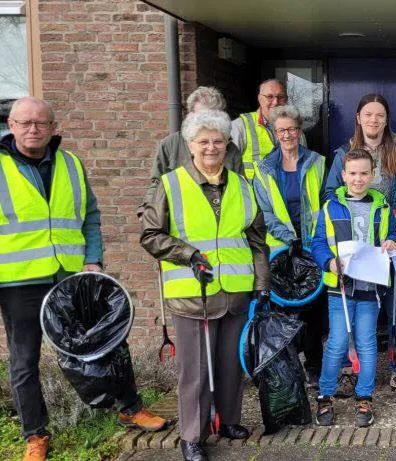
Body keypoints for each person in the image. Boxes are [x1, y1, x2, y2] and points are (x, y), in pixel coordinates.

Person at [0, 97, 167, 461]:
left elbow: (90, 215)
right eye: (24, 123)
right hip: (18, 283)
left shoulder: (71, 164)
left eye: (40, 123)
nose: (32, 129)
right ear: (10, 124)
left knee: (111, 343)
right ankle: (35, 435)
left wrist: (93, 260)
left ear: (53, 127)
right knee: (24, 362)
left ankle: (128, 407)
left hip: (71, 279)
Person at [140, 109, 270, 461]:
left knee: (231, 363)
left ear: (227, 144)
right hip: (192, 292)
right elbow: (150, 235)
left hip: (235, 291)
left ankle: (228, 421)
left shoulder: (243, 185)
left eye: (217, 141)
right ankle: (193, 435)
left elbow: (257, 240)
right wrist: (187, 253)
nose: (211, 147)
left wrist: (262, 283)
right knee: (195, 370)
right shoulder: (170, 184)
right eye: (203, 142)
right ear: (190, 145)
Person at [324, 93, 396, 391]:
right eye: (368, 114)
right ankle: (351, 367)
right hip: (354, 245)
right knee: (353, 305)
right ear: (358, 118)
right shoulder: (342, 153)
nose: (373, 120)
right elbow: (329, 194)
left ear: (386, 119)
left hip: (386, 242)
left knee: (394, 306)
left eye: (379, 115)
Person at [311, 149, 396, 428]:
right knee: (338, 342)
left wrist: (393, 242)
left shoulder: (383, 208)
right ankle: (325, 395)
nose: (358, 179)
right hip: (340, 288)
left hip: (370, 289)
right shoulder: (330, 208)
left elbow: (394, 235)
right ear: (343, 176)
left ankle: (364, 397)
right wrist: (329, 263)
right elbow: (317, 244)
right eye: (353, 173)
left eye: (364, 173)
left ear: (373, 175)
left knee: (366, 343)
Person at [251, 104, 326, 387]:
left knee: (313, 311)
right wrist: (288, 237)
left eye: (292, 129)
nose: (287, 135)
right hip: (281, 250)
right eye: (281, 130)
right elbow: (263, 211)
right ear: (273, 132)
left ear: (300, 130)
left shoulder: (317, 162)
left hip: (311, 247)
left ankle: (314, 368)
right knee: (284, 312)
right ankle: (290, 368)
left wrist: (309, 239)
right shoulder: (263, 170)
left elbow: (325, 201)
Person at [141, 87, 242, 217]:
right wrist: (146, 213)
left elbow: (240, 188)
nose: (207, 122)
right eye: (201, 116)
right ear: (189, 115)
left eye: (212, 116)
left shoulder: (231, 149)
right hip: (179, 218)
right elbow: (157, 184)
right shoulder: (171, 144)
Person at [230, 79, 306, 180]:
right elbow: (225, 171)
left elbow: (304, 167)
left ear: (286, 99)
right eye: (269, 97)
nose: (275, 102)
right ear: (260, 99)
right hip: (251, 195)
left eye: (280, 97)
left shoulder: (297, 131)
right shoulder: (240, 126)